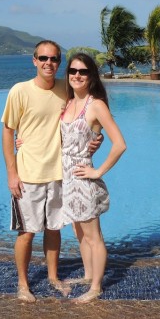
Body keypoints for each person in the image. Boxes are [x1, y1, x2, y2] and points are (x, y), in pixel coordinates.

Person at [1, 41, 101, 302]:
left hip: (60, 174)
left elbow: (83, 120)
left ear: (59, 62)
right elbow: (8, 131)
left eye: (54, 58)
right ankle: (23, 284)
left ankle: (53, 277)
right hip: (28, 175)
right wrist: (12, 172)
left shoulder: (65, 90)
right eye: (43, 57)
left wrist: (96, 138)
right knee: (27, 232)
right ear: (34, 60)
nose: (48, 63)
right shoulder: (19, 91)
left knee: (54, 228)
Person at [60, 53, 126, 303]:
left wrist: (97, 172)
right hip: (66, 180)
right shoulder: (66, 103)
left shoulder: (95, 105)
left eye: (83, 72)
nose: (77, 75)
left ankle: (96, 287)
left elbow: (119, 144)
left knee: (93, 236)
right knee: (79, 232)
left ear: (91, 77)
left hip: (82, 179)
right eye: (73, 71)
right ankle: (88, 275)